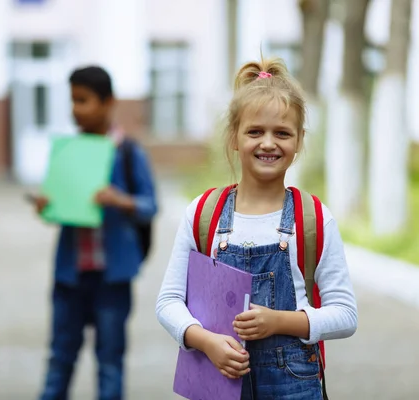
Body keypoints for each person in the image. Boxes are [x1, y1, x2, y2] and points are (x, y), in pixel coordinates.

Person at [155, 58, 358, 399]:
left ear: (299, 140)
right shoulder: (205, 213)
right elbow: (169, 302)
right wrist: (204, 340)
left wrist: (280, 322)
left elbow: (345, 315)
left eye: (282, 133)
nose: (268, 143)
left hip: (294, 384)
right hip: (218, 381)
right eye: (254, 132)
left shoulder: (313, 218)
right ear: (234, 137)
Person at [34, 66, 158, 400]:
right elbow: (57, 209)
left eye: (83, 100)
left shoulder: (128, 152)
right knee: (59, 360)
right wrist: (47, 204)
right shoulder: (67, 151)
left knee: (109, 362)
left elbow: (151, 205)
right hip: (70, 276)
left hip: (112, 278)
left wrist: (122, 201)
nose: (76, 108)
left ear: (108, 103)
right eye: (72, 100)